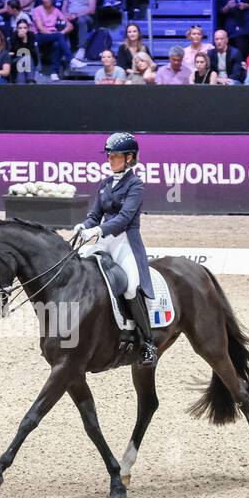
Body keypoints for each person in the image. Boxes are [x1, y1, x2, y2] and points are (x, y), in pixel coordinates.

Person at [70, 132, 158, 366]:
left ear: (129, 158)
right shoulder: (106, 183)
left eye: (115, 156)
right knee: (77, 269)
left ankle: (147, 342)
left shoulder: (136, 185)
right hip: (104, 239)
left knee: (129, 287)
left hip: (125, 241)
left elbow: (124, 218)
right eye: (109, 156)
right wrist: (85, 225)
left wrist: (97, 231)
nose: (110, 160)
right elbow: (96, 215)